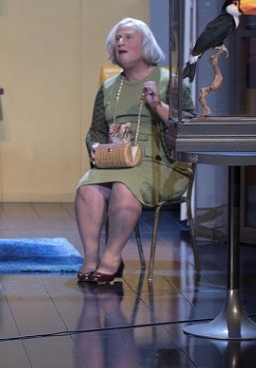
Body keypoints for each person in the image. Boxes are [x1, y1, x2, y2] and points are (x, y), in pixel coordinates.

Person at [75, 18, 195, 284]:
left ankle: (111, 258)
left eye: (128, 37)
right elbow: (95, 131)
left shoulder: (169, 81)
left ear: (146, 45)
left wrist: (158, 105)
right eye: (117, 39)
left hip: (162, 163)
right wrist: (95, 147)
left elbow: (190, 127)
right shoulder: (108, 88)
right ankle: (91, 259)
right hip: (117, 161)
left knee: (122, 187)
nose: (121, 42)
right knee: (87, 189)